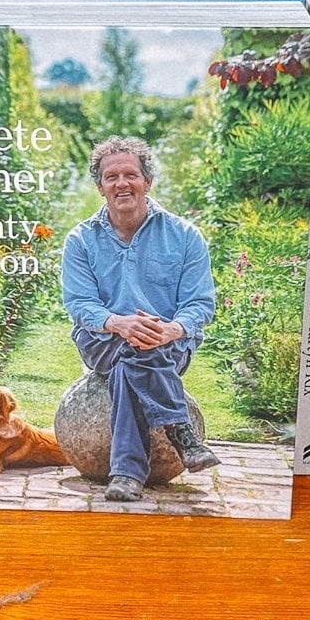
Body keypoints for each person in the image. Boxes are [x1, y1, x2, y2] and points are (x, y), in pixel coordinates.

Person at [60, 135, 220, 502]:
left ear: (147, 181)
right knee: (129, 349)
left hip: (168, 343)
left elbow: (200, 303)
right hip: (101, 340)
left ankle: (127, 475)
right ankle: (182, 433)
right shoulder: (81, 240)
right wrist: (118, 323)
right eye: (111, 177)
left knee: (130, 364)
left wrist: (172, 329)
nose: (121, 184)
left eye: (130, 175)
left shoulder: (185, 237)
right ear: (100, 186)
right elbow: (80, 304)